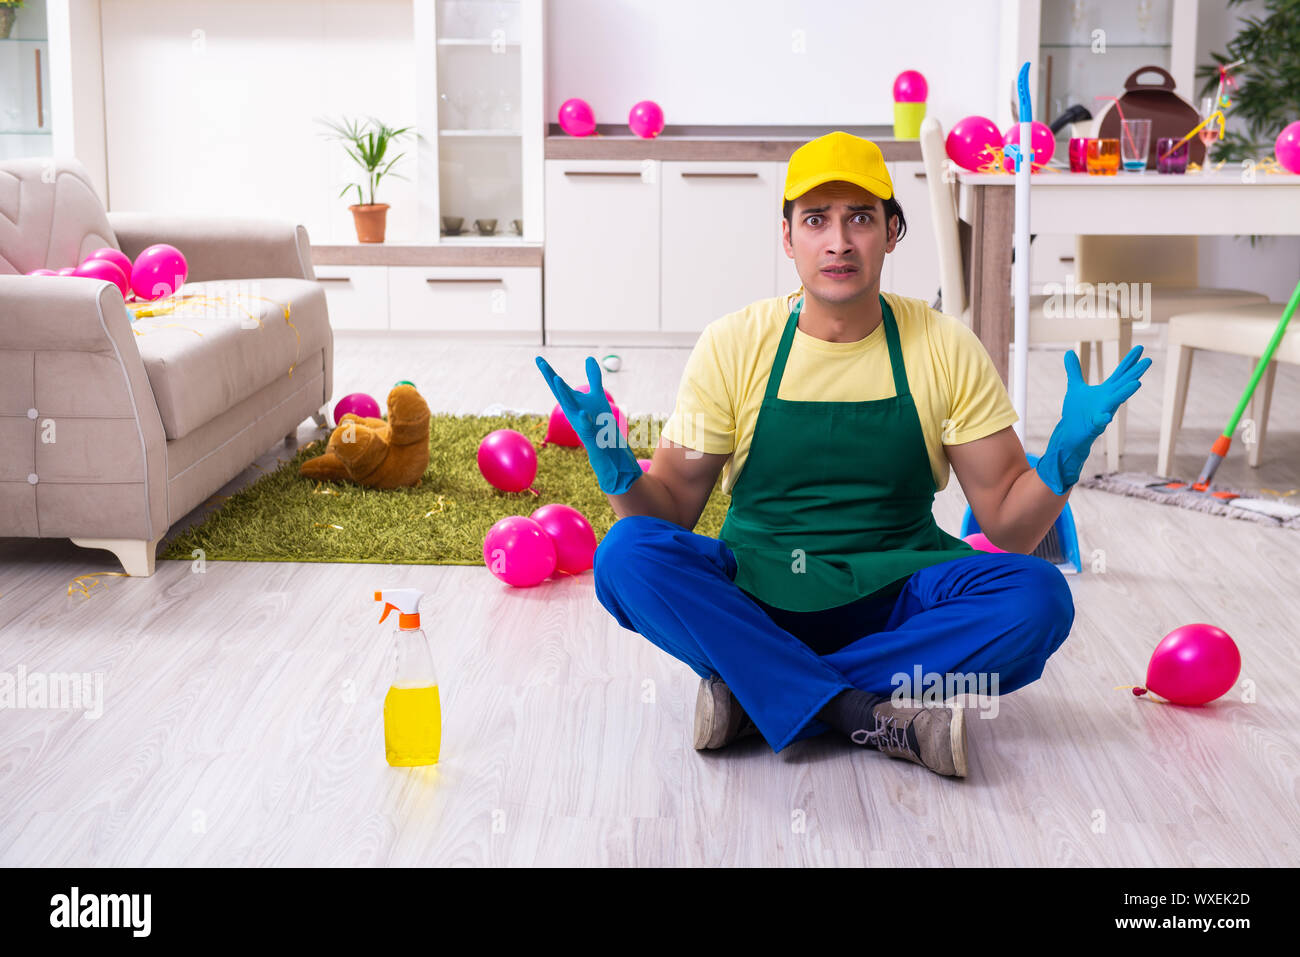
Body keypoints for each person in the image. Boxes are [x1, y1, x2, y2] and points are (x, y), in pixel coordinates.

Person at [535, 131, 1150, 778]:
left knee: (1039, 598)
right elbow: (669, 514)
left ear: (891, 231)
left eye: (860, 218)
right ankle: (862, 709)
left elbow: (1009, 524)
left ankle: (759, 690)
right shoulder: (732, 344)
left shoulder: (944, 345)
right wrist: (613, 458)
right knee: (625, 554)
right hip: (758, 591)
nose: (838, 241)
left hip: (900, 595)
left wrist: (1063, 453)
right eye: (816, 220)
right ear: (787, 236)